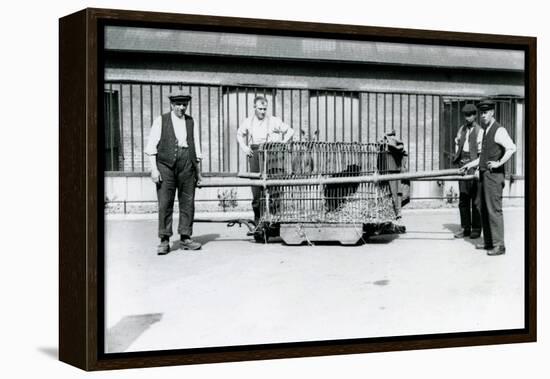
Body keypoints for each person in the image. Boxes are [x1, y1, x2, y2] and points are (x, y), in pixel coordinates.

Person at [145, 89, 203, 255]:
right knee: (165, 202)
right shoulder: (161, 120)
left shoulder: (191, 122)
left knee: (187, 202)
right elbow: (151, 148)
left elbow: (196, 147)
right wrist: (154, 170)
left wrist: (198, 173)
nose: (181, 108)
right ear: (172, 104)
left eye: (184, 104)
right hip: (165, 165)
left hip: (187, 165)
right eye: (178, 104)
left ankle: (185, 237)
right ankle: (164, 240)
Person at [461, 100, 516, 256]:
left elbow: (512, 148)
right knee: (484, 209)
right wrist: (469, 165)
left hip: (494, 177)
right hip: (485, 175)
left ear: (492, 112)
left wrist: (499, 163)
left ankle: (499, 245)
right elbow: (483, 157)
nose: (483, 116)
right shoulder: (486, 130)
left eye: (486, 112)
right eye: (482, 113)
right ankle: (489, 242)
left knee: (494, 210)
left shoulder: (499, 130)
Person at [236, 96, 295, 225]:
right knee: (257, 190)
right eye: (260, 109)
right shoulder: (248, 121)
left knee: (274, 188)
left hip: (272, 153)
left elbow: (290, 131)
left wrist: (283, 143)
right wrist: (245, 148)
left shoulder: (274, 120)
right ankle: (259, 223)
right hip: (255, 153)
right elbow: (239, 134)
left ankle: (275, 222)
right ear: (254, 107)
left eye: (264, 109)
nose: (262, 111)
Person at [453, 103, 483, 239]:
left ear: (475, 115)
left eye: (470, 115)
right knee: (463, 198)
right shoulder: (462, 129)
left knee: (476, 200)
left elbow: (481, 154)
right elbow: (457, 142)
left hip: (474, 165)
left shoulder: (480, 131)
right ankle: (465, 228)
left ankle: (476, 229)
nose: (467, 117)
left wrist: (475, 167)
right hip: (462, 164)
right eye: (465, 115)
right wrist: (457, 156)